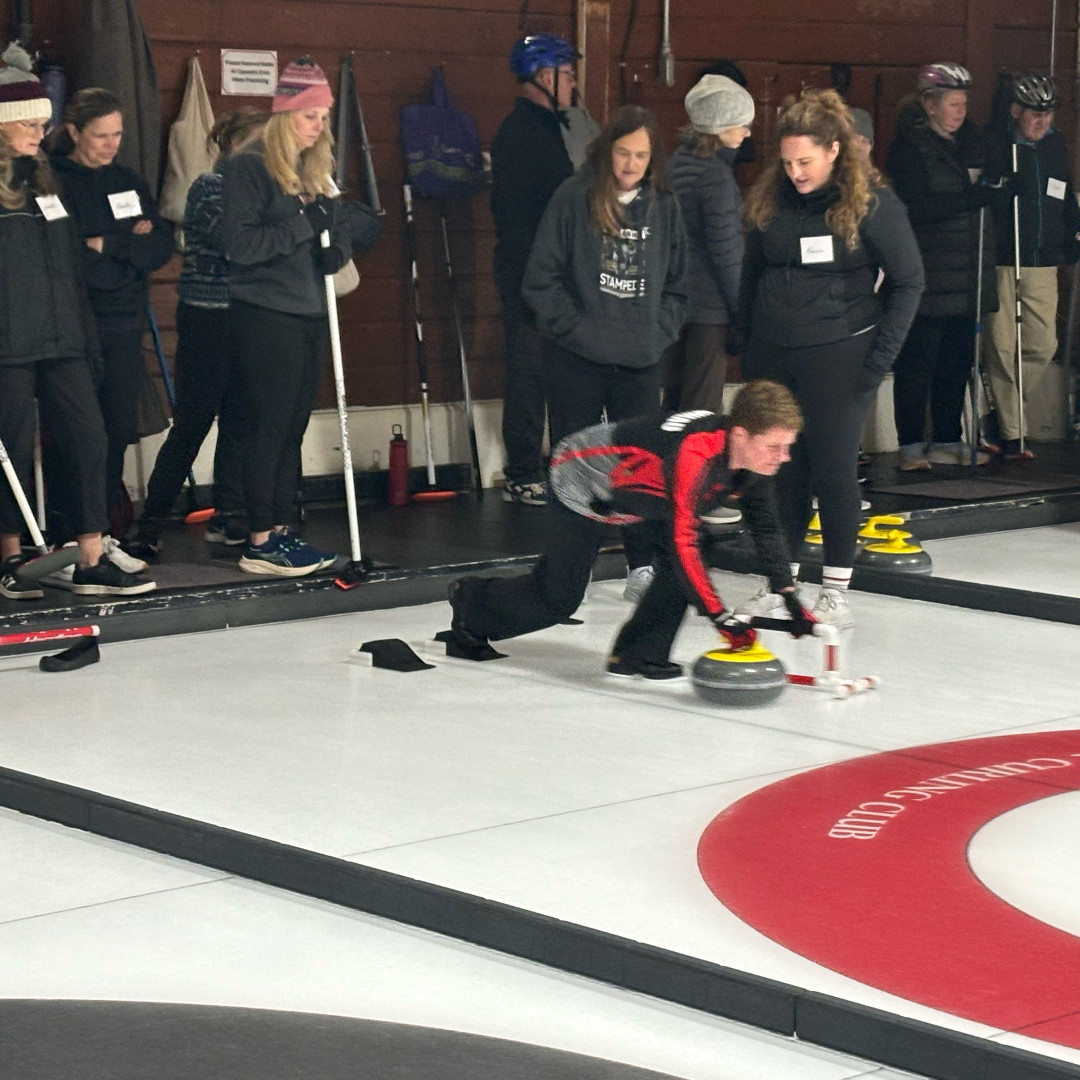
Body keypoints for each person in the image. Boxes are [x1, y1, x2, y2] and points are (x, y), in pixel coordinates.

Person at [445, 380, 815, 678]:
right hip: (583, 479)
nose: (783, 457)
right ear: (739, 435)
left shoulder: (754, 465)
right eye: (775, 447)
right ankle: (472, 602)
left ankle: (637, 654)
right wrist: (720, 618)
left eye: (787, 447)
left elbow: (766, 529)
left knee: (683, 566)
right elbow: (682, 540)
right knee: (558, 599)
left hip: (643, 494)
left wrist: (789, 594)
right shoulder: (696, 455)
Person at [733, 88, 924, 629]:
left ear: (835, 151)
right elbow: (751, 273)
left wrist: (877, 362)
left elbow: (910, 282)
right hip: (773, 353)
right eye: (788, 162)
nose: (795, 172)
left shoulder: (872, 203)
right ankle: (781, 582)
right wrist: (744, 341)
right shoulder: (772, 199)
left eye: (806, 162)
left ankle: (836, 587)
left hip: (841, 353)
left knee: (833, 469)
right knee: (777, 469)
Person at [0, 45, 154, 599]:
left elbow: (70, 265)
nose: (40, 133)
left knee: (89, 438)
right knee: (12, 448)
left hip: (65, 335)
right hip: (9, 342)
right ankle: (10, 557)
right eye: (31, 124)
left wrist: (86, 337)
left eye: (43, 123)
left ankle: (91, 555)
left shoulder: (46, 182)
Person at [221, 56, 381, 576]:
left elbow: (327, 234)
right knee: (269, 425)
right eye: (311, 116)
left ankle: (283, 528)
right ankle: (259, 537)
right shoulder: (248, 168)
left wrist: (333, 246)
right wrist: (302, 225)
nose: (319, 127)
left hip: (312, 309)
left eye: (324, 117)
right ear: (286, 113)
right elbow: (241, 246)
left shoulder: (317, 172)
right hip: (266, 313)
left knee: (292, 425)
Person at [523, 104, 689, 603]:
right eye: (623, 153)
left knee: (640, 464)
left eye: (641, 155)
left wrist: (658, 332)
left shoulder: (664, 204)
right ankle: (568, 564)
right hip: (576, 356)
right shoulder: (574, 197)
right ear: (607, 151)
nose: (631, 164)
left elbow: (681, 284)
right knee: (574, 459)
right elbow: (541, 278)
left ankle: (641, 564)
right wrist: (575, 328)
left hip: (640, 356)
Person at [129, 108, 269, 557]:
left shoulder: (264, 189)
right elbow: (240, 246)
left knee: (242, 422)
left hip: (248, 317)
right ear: (232, 145)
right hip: (208, 317)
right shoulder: (209, 187)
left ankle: (228, 515)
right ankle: (150, 522)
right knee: (193, 421)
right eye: (256, 144)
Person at [49, 87, 174, 548]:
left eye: (117, 134)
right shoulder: (58, 181)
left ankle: (107, 532)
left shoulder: (129, 180)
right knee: (83, 431)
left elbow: (159, 246)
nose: (111, 143)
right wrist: (125, 249)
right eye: (101, 135)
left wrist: (112, 244)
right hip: (78, 324)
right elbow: (73, 260)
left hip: (125, 323)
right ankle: (73, 532)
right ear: (75, 132)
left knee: (118, 428)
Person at [886, 62, 997, 471]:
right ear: (930, 105)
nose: (961, 111)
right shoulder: (910, 148)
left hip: (966, 273)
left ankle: (948, 437)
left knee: (956, 362)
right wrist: (971, 199)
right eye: (954, 103)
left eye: (964, 103)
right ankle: (911, 443)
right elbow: (916, 208)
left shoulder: (971, 143)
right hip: (929, 273)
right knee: (918, 362)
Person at [490, 34, 578, 506]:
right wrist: (539, 282)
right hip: (531, 274)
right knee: (528, 371)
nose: (574, 84)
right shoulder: (528, 134)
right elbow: (528, 216)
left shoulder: (542, 129)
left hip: (540, 272)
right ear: (547, 77)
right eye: (569, 75)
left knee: (549, 372)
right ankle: (524, 469)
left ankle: (554, 465)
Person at [982, 73, 1080, 459]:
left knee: (1043, 343)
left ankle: (997, 413)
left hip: (1042, 258)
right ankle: (1011, 431)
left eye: (1049, 114)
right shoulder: (997, 144)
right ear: (1015, 111)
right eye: (1035, 115)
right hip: (1003, 258)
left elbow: (1064, 189)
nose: (1043, 122)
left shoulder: (1055, 146)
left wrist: (1074, 231)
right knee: (1002, 344)